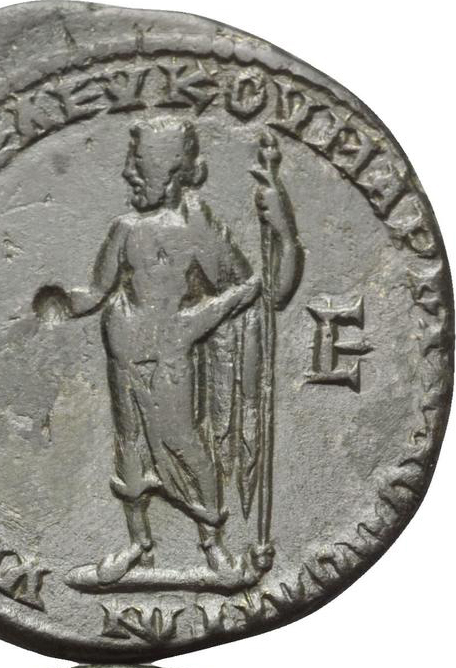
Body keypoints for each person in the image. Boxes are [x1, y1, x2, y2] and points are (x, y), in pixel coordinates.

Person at [42, 119, 302, 585]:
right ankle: (138, 545)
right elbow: (97, 290)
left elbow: (264, 294)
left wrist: (283, 232)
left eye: (138, 163)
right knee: (129, 448)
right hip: (124, 355)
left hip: (170, 357)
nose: (127, 173)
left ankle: (213, 547)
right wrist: (63, 302)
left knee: (186, 446)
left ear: (174, 171)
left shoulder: (197, 226)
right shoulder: (123, 228)